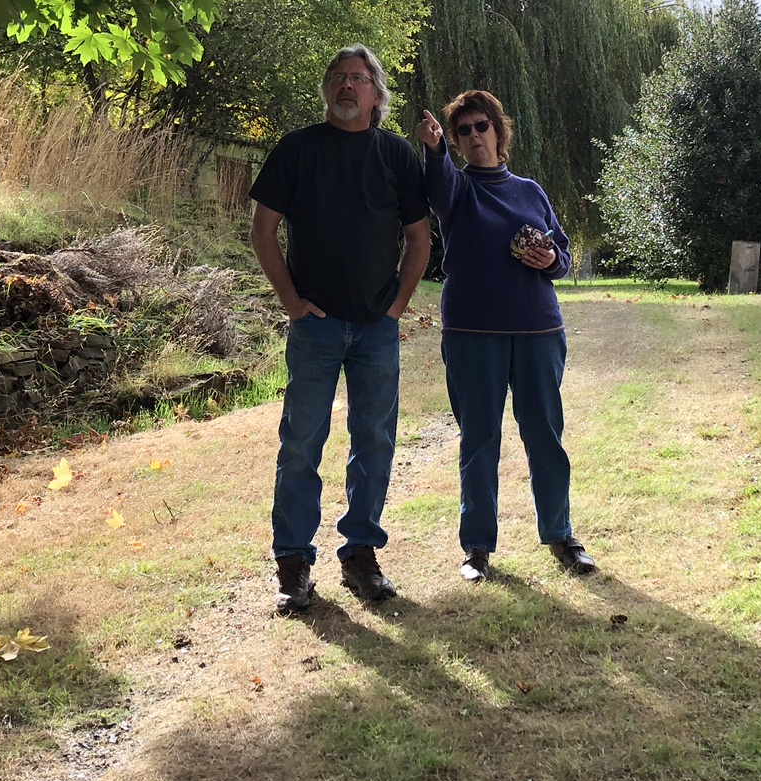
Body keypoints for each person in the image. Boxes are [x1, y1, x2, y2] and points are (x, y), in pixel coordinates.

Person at [249, 46, 431, 612]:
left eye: (358, 78)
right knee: (301, 442)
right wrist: (290, 300)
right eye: (339, 77)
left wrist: (398, 306)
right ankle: (292, 563)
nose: (347, 86)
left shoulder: (397, 155)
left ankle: (360, 556)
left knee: (373, 441)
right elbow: (262, 230)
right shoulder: (296, 149)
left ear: (377, 94)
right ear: (328, 90)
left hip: (377, 329)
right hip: (316, 328)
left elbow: (419, 239)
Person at [417, 90, 596, 582]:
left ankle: (561, 535)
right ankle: (476, 548)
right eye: (464, 131)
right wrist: (434, 149)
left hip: (538, 330)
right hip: (473, 333)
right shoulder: (456, 189)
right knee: (479, 439)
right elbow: (437, 184)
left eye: (482, 126)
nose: (475, 135)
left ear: (499, 131)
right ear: (457, 142)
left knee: (545, 436)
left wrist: (552, 260)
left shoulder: (531, 191)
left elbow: (561, 253)